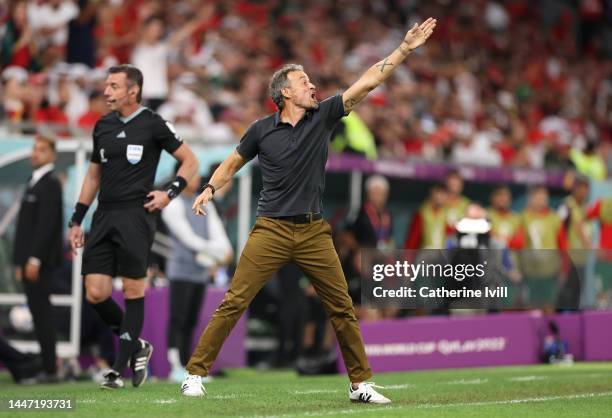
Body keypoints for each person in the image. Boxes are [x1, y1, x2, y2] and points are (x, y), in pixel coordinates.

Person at [182, 17, 437, 404]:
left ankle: (360, 384)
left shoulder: (324, 116)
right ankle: (195, 374)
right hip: (270, 229)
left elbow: (366, 83)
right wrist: (210, 188)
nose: (312, 85)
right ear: (285, 92)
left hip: (314, 231)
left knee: (342, 307)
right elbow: (232, 164)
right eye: (304, 82)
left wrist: (403, 50)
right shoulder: (260, 130)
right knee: (234, 301)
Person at [67, 64, 198, 390]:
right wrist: (77, 218)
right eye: (106, 86)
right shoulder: (104, 125)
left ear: (132, 90)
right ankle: (138, 346)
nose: (106, 92)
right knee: (95, 292)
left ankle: (116, 369)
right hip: (104, 215)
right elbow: (93, 175)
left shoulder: (153, 123)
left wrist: (170, 193)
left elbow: (190, 161)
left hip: (136, 217)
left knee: (132, 290)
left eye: (113, 86)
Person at [161, 170, 232, 383]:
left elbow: (220, 236)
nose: (195, 180)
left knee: (191, 321)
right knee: (178, 319)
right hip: (181, 271)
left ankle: (187, 365)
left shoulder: (205, 204)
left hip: (200, 274)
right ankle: (175, 366)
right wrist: (218, 252)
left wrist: (225, 250)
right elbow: (189, 240)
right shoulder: (173, 206)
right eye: (190, 176)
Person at [12, 134, 63, 382]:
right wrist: (19, 261)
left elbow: (46, 226)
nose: (35, 153)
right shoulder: (34, 182)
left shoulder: (50, 184)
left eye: (41, 150)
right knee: (38, 311)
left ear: (52, 155)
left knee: (42, 314)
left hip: (39, 263)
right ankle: (47, 365)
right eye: (35, 149)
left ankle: (50, 369)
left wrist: (34, 259)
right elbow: (24, 228)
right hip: (29, 262)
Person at [352, 175, 394, 250]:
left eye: (381, 193)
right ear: (367, 194)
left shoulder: (388, 215)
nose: (378, 197)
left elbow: (389, 237)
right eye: (374, 193)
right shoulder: (360, 213)